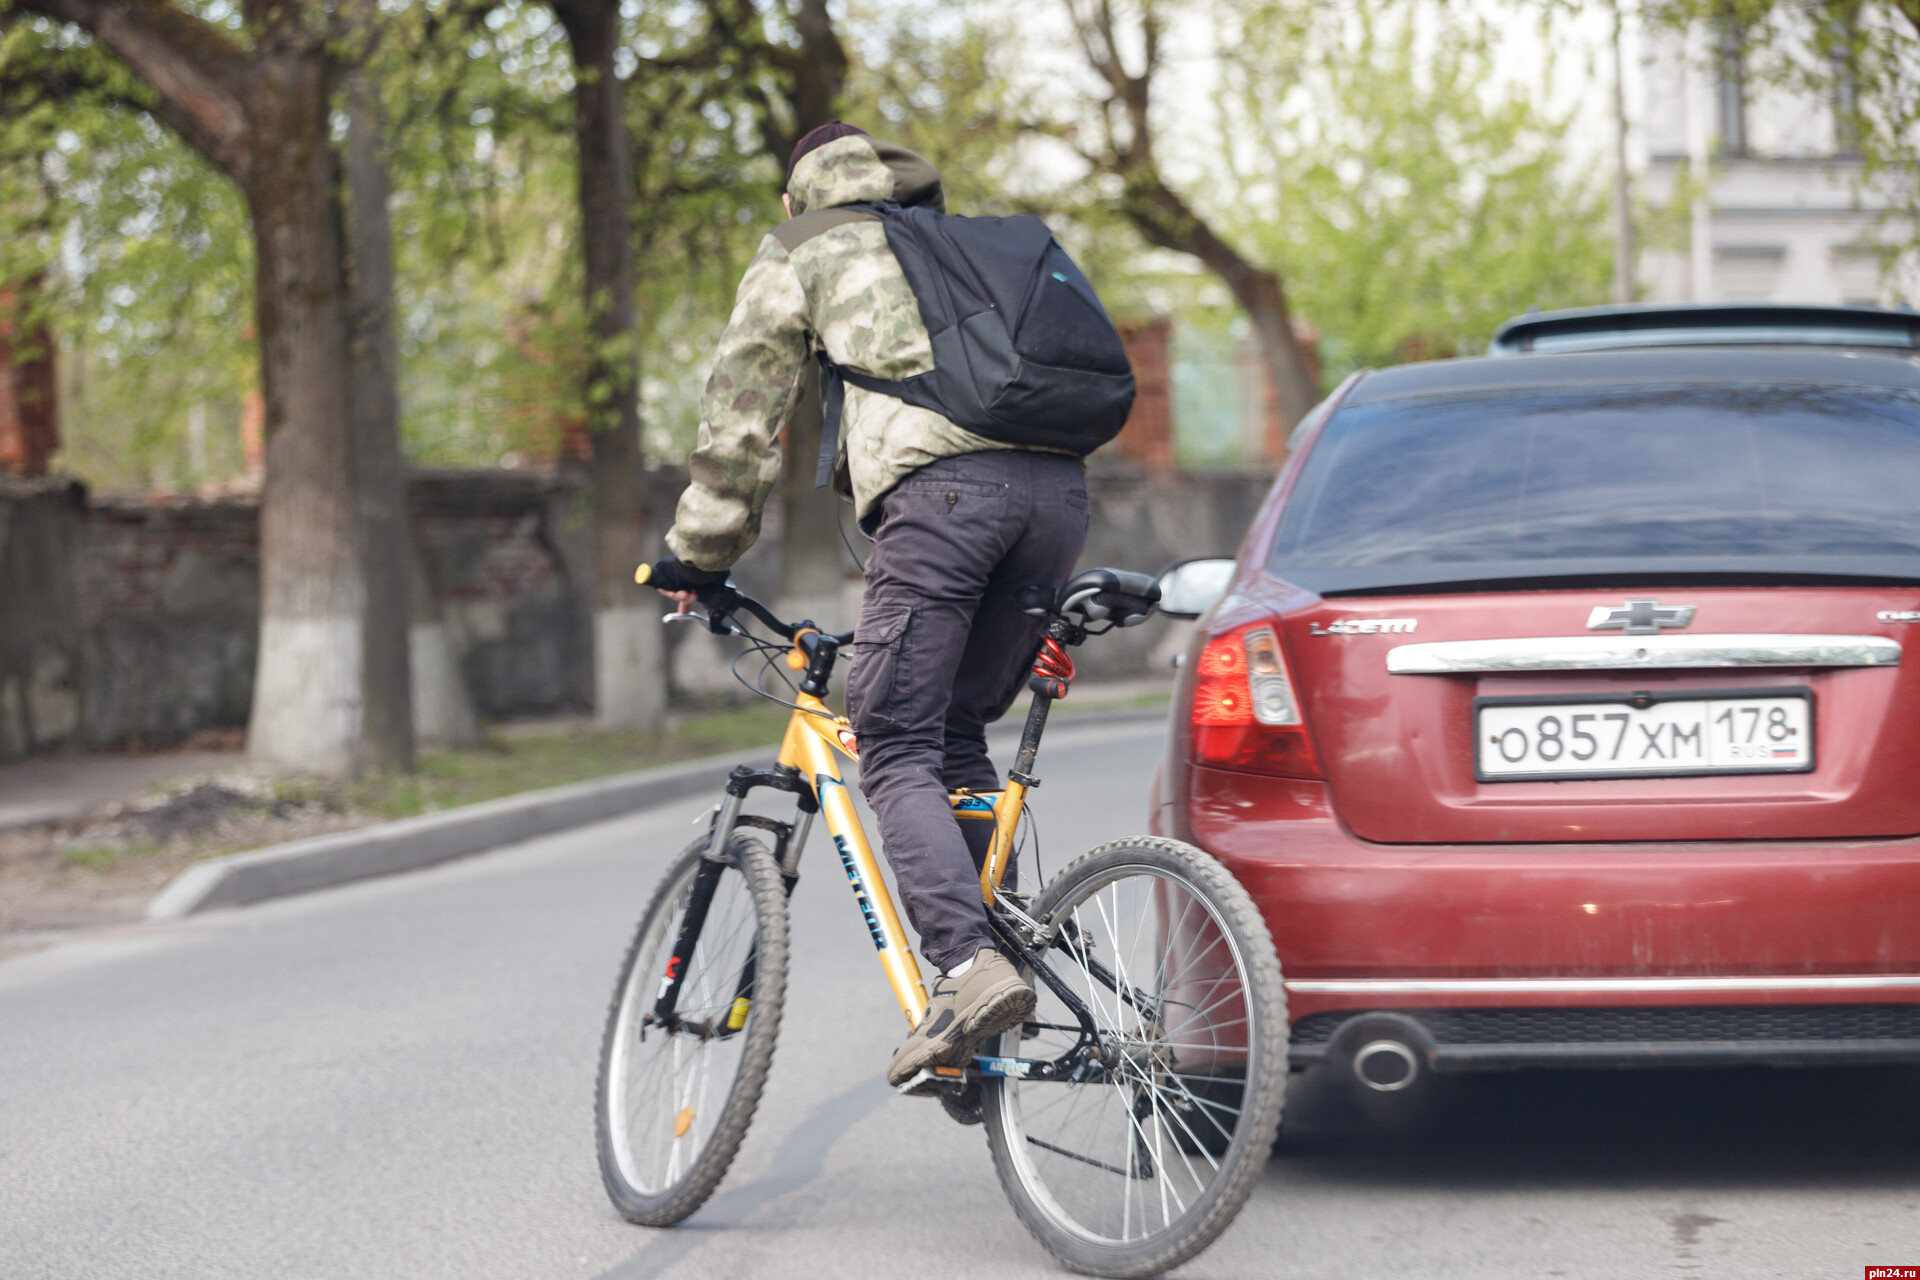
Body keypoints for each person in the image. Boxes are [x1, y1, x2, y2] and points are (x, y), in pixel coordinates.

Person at [646, 122, 1092, 1086]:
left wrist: (697, 554)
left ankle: (968, 973)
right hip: (1059, 501)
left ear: (793, 196)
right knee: (956, 732)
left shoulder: (807, 245)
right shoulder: (960, 244)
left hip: (946, 505)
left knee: (888, 736)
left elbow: (744, 415)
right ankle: (992, 1030)